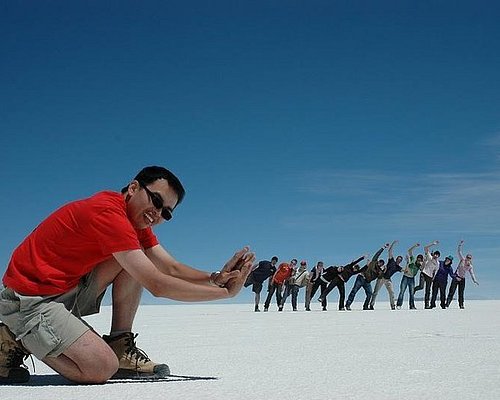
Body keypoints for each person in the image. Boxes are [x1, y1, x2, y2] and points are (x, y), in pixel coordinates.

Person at [0, 166, 255, 385]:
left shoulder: (134, 221)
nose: (157, 214)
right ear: (133, 188)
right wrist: (224, 294)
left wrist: (215, 277)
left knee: (134, 260)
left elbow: (171, 268)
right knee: (100, 368)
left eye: (166, 212)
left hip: (65, 290)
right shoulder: (108, 213)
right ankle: (15, 334)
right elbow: (157, 284)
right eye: (156, 201)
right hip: (28, 300)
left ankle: (120, 344)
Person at [345, 244, 389, 311]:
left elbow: (380, 277)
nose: (380, 264)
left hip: (367, 282)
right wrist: (383, 248)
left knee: (369, 294)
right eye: (380, 262)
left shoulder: (379, 271)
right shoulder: (373, 262)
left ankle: (365, 306)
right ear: (378, 261)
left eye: (382, 264)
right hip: (361, 278)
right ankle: (348, 305)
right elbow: (377, 254)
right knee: (354, 291)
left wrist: (384, 270)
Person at [369, 240, 402, 310]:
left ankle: (393, 306)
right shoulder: (391, 260)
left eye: (400, 260)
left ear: (400, 261)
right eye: (398, 259)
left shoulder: (398, 267)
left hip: (388, 280)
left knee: (392, 293)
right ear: (396, 259)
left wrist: (408, 262)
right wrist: (393, 244)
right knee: (375, 292)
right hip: (381, 278)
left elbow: (405, 271)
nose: (398, 260)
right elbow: (390, 251)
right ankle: (371, 305)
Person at [446, 240, 479, 309]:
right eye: (467, 257)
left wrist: (474, 280)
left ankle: (461, 305)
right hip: (456, 277)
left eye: (469, 258)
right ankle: (447, 303)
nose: (468, 259)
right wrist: (460, 245)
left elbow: (472, 273)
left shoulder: (470, 266)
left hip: (462, 279)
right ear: (466, 257)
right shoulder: (462, 260)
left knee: (461, 293)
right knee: (452, 291)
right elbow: (459, 252)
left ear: (471, 259)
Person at [396, 243, 422, 310]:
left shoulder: (419, 266)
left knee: (411, 293)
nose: (418, 261)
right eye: (418, 259)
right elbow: (409, 251)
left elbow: (423, 269)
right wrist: (415, 246)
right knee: (402, 291)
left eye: (420, 260)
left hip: (412, 279)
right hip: (405, 277)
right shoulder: (412, 259)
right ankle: (399, 304)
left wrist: (422, 263)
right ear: (416, 259)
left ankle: (412, 306)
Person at [414, 240, 440, 309]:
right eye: (435, 254)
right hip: (424, 273)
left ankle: (426, 305)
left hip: (430, 276)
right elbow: (425, 248)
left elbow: (436, 271)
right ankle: (414, 289)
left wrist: (433, 278)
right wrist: (433, 244)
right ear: (433, 254)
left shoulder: (437, 263)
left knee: (428, 291)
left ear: (438, 256)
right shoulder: (430, 257)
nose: (436, 255)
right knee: (421, 286)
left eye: (437, 255)